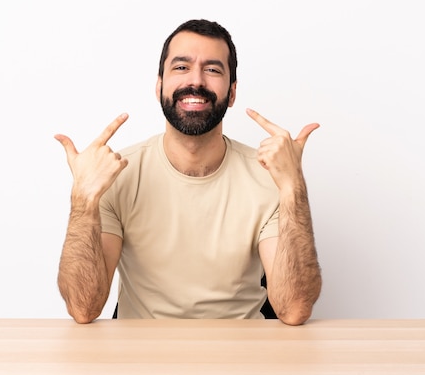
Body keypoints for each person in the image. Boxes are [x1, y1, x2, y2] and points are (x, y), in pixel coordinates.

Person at [54, 19, 322, 325]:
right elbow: (83, 308)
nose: (196, 81)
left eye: (212, 69)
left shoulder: (268, 176)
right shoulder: (115, 175)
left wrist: (293, 187)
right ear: (159, 87)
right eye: (181, 67)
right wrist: (83, 199)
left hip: (244, 356)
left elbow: (295, 308)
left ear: (232, 92)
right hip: (140, 358)